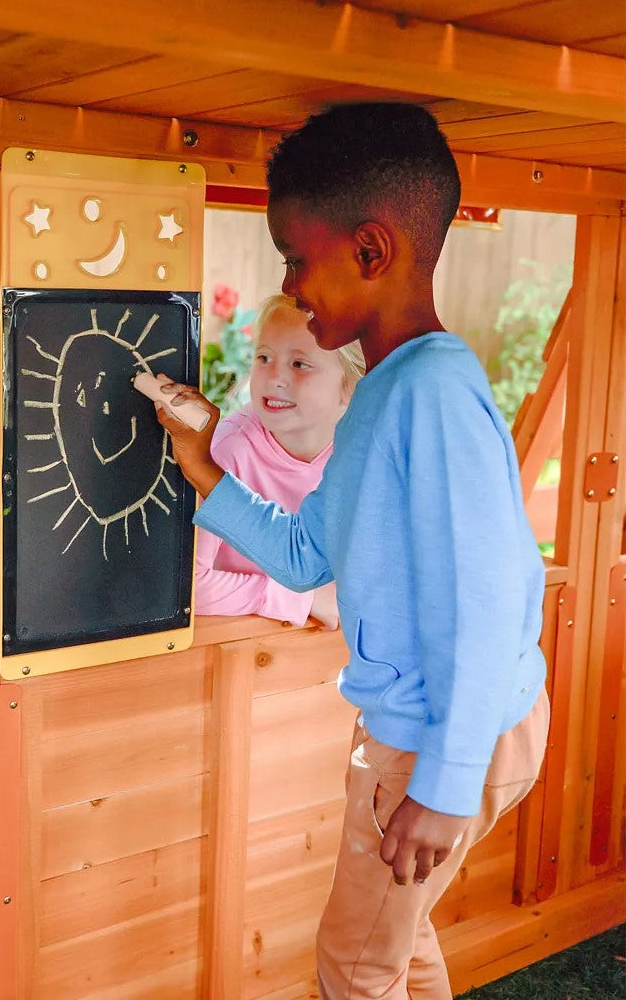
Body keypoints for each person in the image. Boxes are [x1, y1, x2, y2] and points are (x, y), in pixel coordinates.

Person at [156, 103, 549, 999]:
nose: (291, 282)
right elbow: (302, 555)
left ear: (371, 252)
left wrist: (444, 786)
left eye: (297, 259)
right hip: (445, 729)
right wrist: (205, 466)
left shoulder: (431, 397)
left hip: (445, 736)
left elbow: (490, 600)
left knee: (355, 961)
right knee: (394, 944)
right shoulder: (387, 397)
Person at [194, 293, 363, 627]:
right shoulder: (226, 453)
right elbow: (189, 589)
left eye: (299, 364)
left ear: (349, 386)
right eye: (264, 358)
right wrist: (303, 598)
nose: (274, 378)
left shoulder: (358, 455)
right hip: (238, 644)